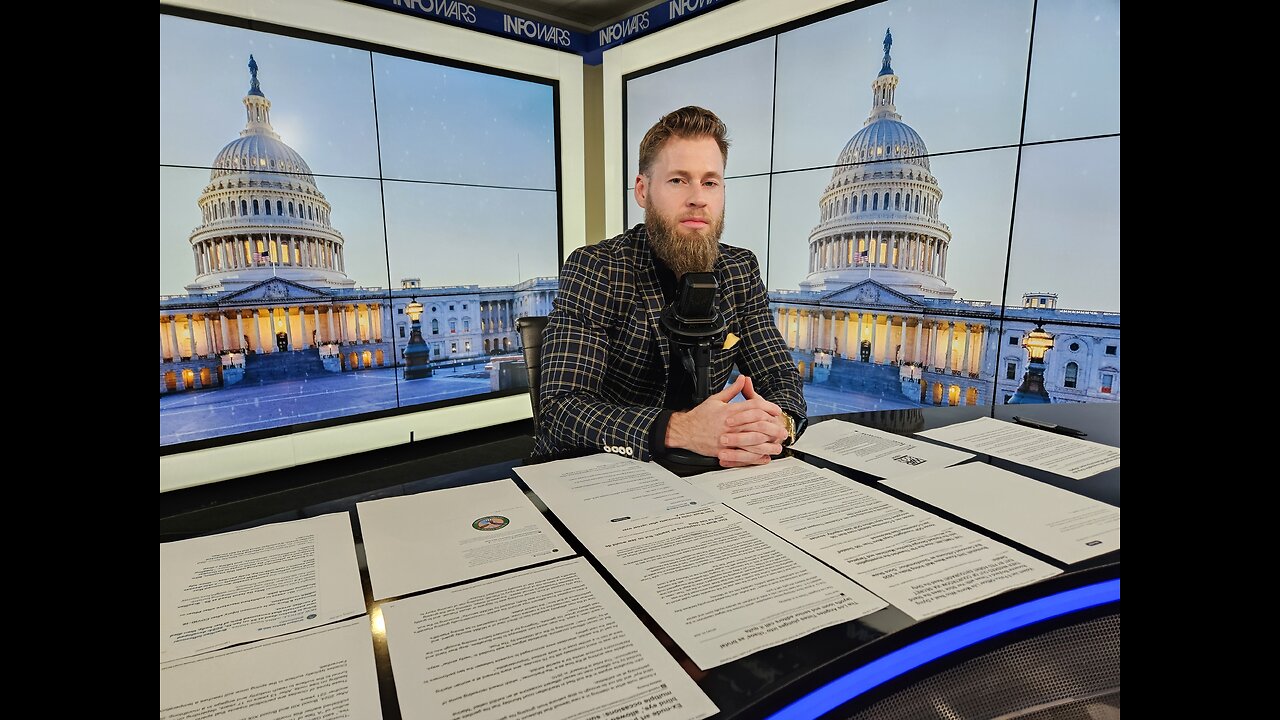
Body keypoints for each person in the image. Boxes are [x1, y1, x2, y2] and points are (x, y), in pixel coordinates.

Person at [533, 106, 806, 467]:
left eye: (710, 182)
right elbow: (561, 411)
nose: (698, 197)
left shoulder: (741, 269)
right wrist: (680, 430)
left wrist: (776, 423)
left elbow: (778, 375)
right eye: (678, 180)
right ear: (643, 191)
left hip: (710, 474)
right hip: (604, 472)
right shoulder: (598, 268)